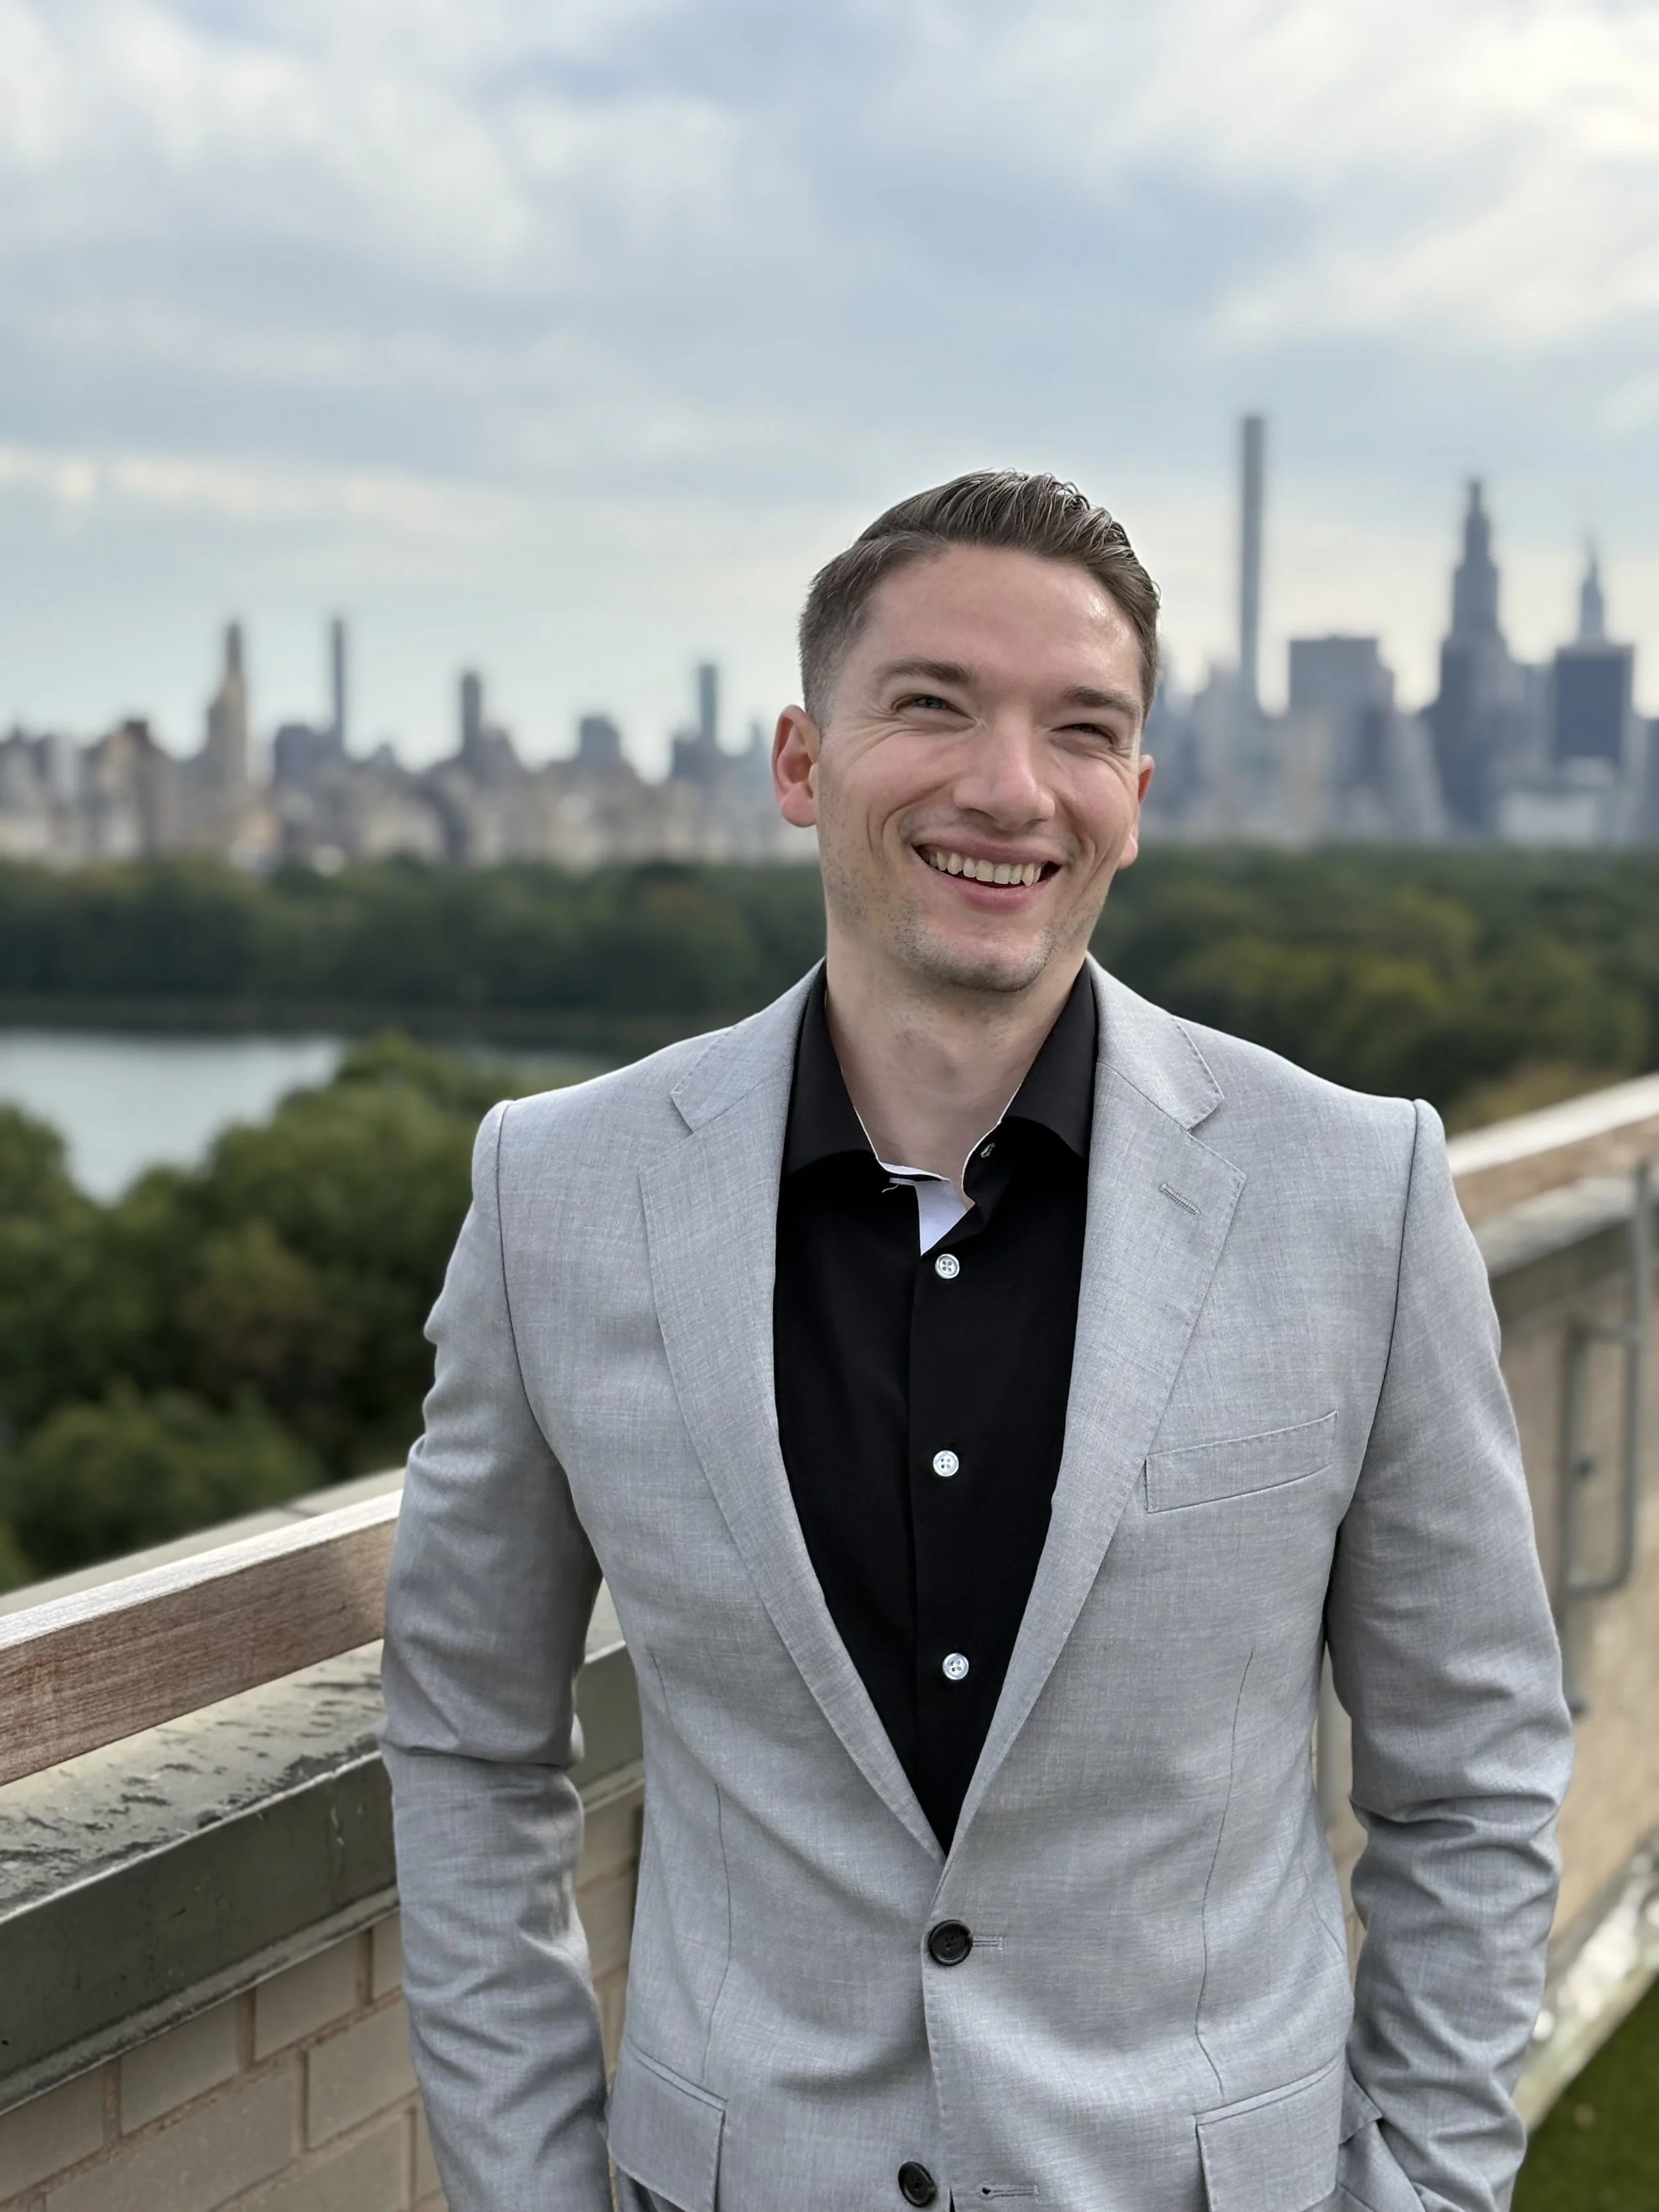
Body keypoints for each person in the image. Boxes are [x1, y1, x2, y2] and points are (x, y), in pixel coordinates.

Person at [381, 473, 1572, 2212]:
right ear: (801, 761)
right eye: (931, 704)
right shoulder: (561, 1190)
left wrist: (1424, 2188)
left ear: (1135, 798)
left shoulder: (1353, 1191)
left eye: (1079, 728)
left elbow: (1469, 1770)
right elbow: (472, 1744)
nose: (1008, 786)